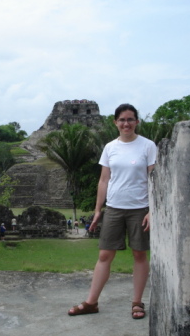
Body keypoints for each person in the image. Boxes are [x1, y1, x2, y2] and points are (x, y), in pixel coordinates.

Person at [67, 103, 156, 320]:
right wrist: (98, 210)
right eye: (122, 120)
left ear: (137, 122)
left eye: (130, 119)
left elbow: (155, 180)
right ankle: (91, 302)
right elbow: (104, 180)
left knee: (139, 254)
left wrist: (153, 210)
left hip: (140, 207)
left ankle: (137, 302)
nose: (126, 123)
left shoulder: (148, 146)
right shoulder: (110, 147)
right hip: (115, 207)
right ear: (115, 122)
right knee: (105, 254)